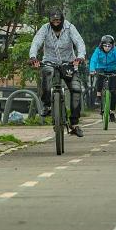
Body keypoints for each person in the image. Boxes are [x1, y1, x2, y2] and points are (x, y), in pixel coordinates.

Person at [29, 7, 86, 137]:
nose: (56, 23)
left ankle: (74, 123)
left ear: (62, 20)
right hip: (49, 62)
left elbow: (80, 43)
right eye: (53, 21)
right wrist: (33, 57)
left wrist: (80, 57)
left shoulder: (70, 27)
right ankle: (47, 106)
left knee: (76, 89)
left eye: (58, 21)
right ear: (49, 20)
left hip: (69, 63)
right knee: (46, 75)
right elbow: (36, 42)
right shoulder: (44, 29)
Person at [89, 35, 116, 122]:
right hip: (101, 68)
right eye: (105, 45)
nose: (107, 48)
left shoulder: (115, 51)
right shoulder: (98, 50)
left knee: (113, 91)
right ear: (101, 45)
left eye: (109, 46)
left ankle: (112, 113)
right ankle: (98, 96)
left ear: (112, 45)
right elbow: (93, 60)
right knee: (100, 78)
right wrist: (92, 69)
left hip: (112, 69)